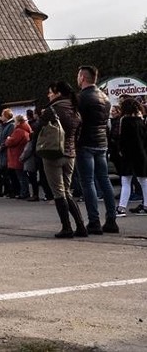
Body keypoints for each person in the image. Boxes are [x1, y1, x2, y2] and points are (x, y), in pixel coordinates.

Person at [40, 83, 87, 238]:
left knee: (59, 193)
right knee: (67, 191)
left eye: (50, 92)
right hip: (70, 154)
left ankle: (66, 227)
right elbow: (78, 134)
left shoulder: (51, 110)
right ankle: (81, 226)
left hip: (53, 153)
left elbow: (39, 130)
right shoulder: (75, 109)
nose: (49, 95)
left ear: (58, 93)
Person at [75, 65, 117, 234]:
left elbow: (76, 123)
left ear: (83, 78)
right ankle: (111, 220)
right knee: (104, 180)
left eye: (78, 76)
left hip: (85, 143)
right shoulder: (105, 98)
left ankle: (94, 221)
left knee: (88, 182)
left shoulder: (81, 98)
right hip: (101, 143)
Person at [115, 98, 147, 215]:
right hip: (141, 153)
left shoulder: (124, 121)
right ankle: (146, 205)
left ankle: (122, 207)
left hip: (128, 155)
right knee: (143, 180)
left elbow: (123, 140)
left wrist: (121, 151)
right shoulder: (141, 121)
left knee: (126, 181)